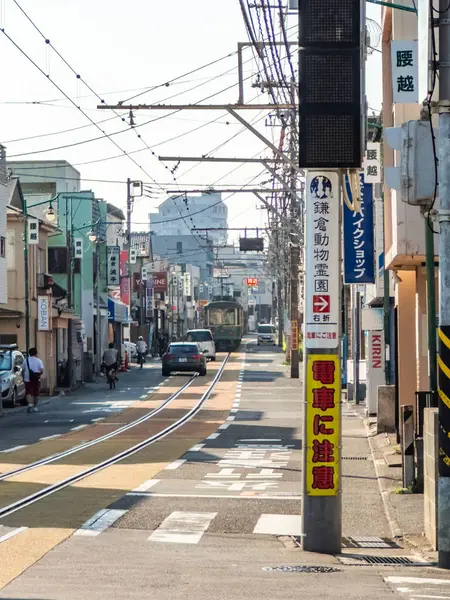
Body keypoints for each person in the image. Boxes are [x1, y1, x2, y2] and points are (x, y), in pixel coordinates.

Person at [23, 347, 44, 413]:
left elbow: (22, 369)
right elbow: (42, 370)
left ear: (29, 353)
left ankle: (30, 403)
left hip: (27, 379)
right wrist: (38, 375)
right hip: (36, 379)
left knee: (28, 392)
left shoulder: (25, 360)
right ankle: (35, 406)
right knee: (36, 393)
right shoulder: (39, 361)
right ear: (36, 353)